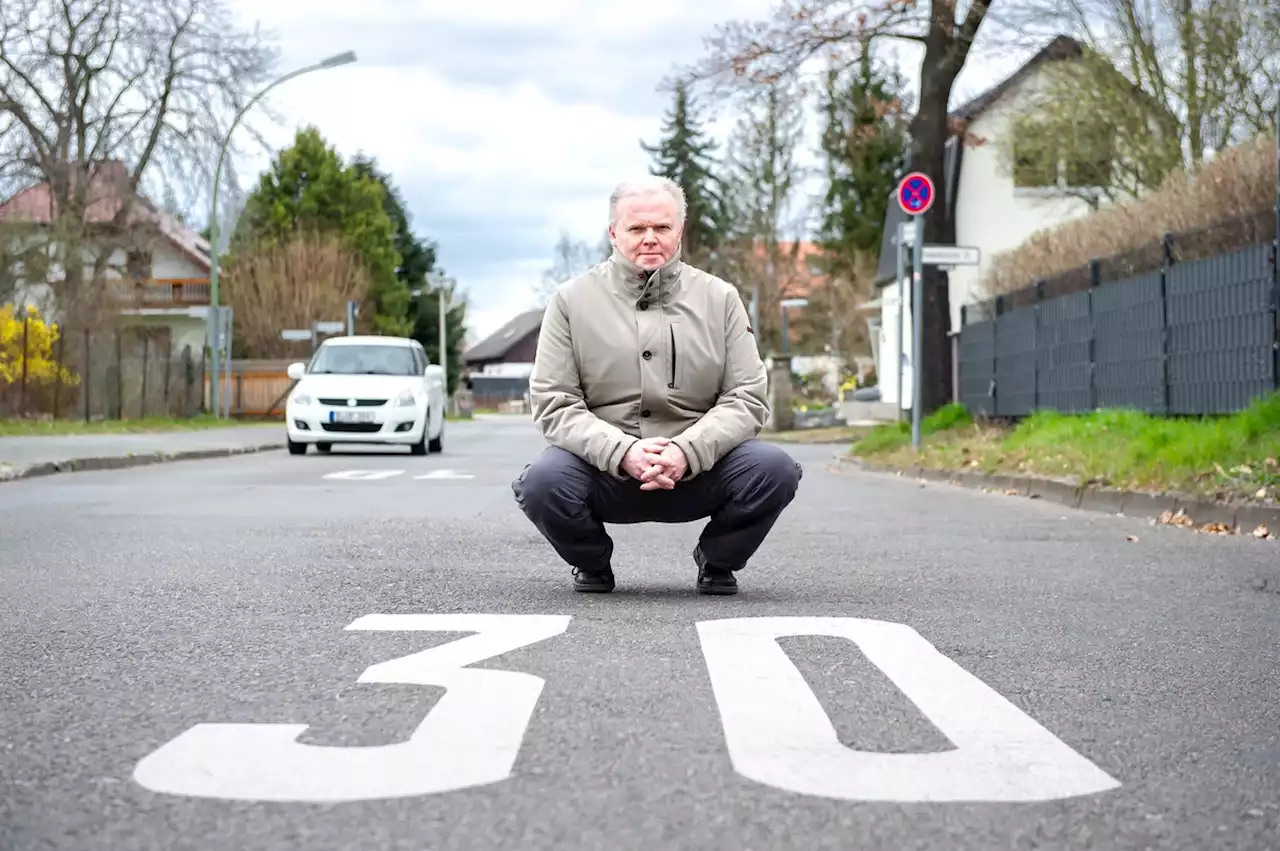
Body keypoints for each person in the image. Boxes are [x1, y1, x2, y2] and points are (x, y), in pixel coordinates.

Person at [511, 175, 803, 595]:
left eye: (662, 227)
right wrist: (622, 451)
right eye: (636, 228)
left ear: (680, 230)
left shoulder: (721, 299)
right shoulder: (571, 301)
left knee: (773, 470)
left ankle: (717, 560)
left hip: (699, 470)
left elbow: (747, 397)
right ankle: (591, 562)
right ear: (614, 232)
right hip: (604, 471)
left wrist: (688, 450)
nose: (650, 238)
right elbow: (555, 403)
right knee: (542, 482)